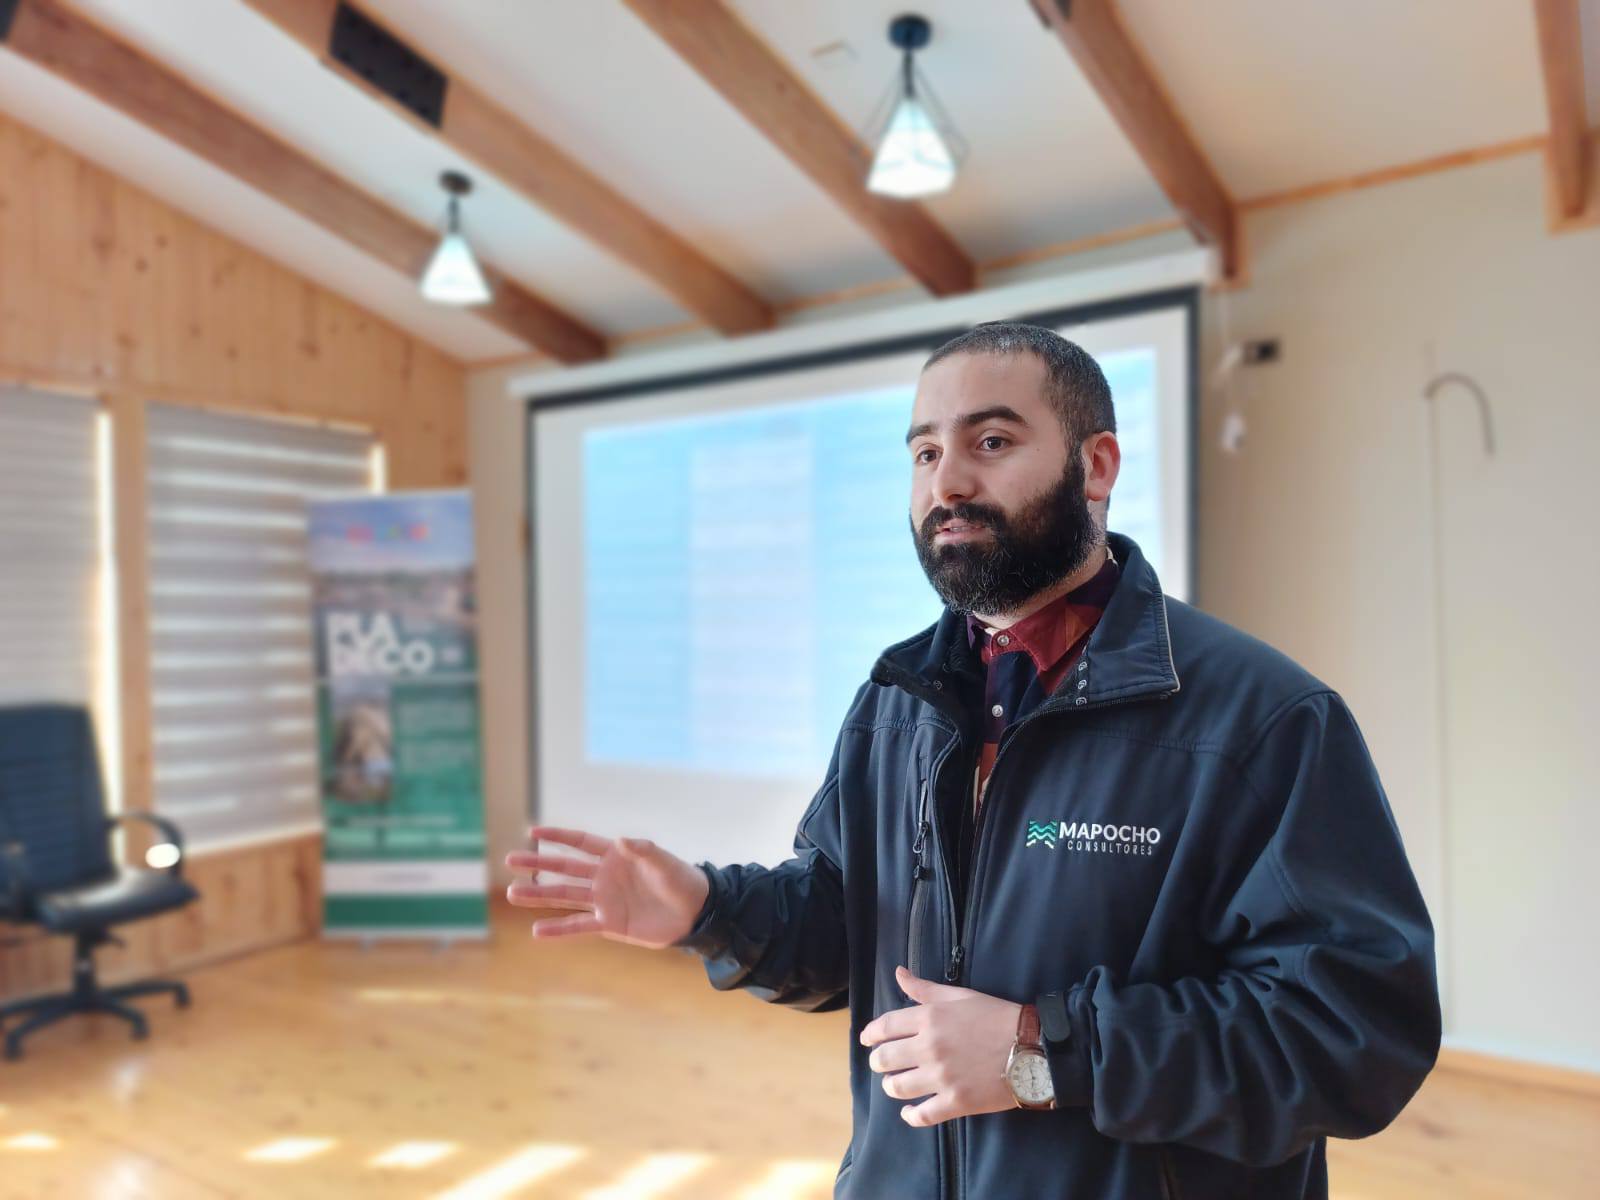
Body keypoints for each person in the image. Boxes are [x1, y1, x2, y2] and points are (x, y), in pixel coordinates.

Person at [506, 322, 1440, 1199]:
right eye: (924, 453)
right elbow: (845, 929)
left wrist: (1044, 1052)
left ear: (1097, 465)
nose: (946, 482)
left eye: (990, 442)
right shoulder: (897, 700)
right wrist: (707, 910)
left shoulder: (1263, 719)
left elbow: (1353, 1036)